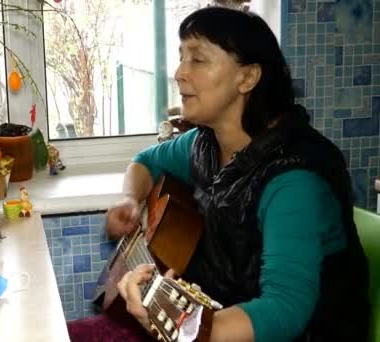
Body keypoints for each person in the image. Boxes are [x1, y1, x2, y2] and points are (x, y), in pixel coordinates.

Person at [68, 6, 369, 342]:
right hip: (213, 317)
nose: (179, 72)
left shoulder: (294, 179)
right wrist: (130, 198)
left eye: (197, 59)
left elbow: (285, 310)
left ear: (247, 77)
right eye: (181, 57)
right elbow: (145, 162)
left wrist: (184, 325)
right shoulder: (206, 143)